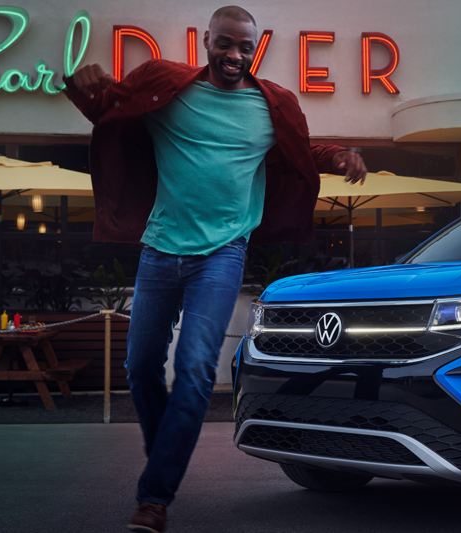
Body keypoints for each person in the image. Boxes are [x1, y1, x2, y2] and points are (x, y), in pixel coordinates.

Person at [63, 5, 367, 532]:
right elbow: (111, 110)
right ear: (207, 41)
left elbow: (301, 149)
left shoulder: (270, 106)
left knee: (198, 368)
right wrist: (84, 87)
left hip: (223, 254)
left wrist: (339, 155)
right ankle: (166, 453)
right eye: (224, 43)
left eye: (245, 47)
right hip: (159, 249)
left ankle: (154, 498)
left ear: (255, 48)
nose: (234, 55)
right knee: (139, 368)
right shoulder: (167, 88)